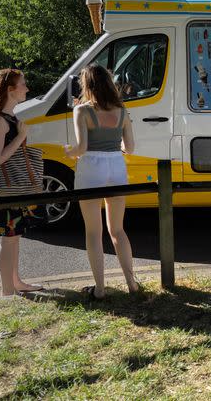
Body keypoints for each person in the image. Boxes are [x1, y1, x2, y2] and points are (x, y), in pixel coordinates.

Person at [65, 64, 139, 300]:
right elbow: (130, 148)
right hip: (116, 166)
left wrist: (69, 152)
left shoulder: (82, 111)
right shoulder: (122, 110)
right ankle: (131, 284)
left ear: (86, 85)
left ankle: (99, 289)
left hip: (91, 168)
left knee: (93, 233)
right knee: (118, 229)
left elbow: (81, 148)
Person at [0, 68, 43, 296]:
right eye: (23, 84)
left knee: (14, 238)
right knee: (8, 240)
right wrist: (20, 136)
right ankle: (7, 292)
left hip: (14, 189)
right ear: (10, 89)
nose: (27, 88)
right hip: (4, 190)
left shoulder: (11, 118)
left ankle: (16, 283)